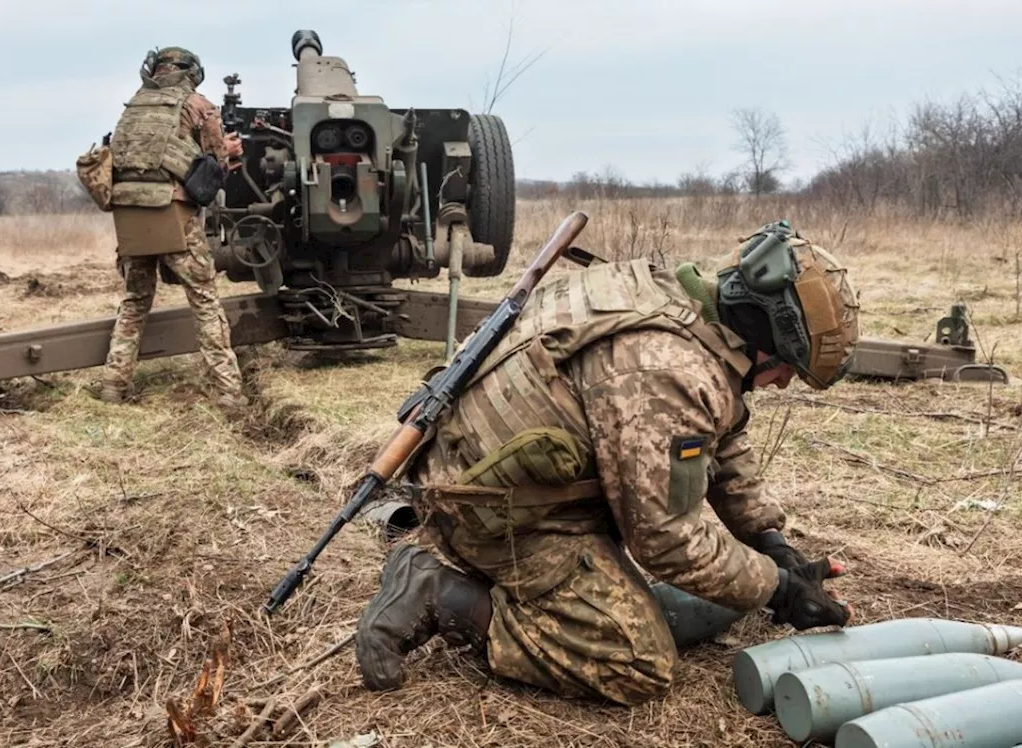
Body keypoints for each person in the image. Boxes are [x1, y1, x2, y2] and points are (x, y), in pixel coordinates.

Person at [355, 219, 861, 705]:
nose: (782, 383)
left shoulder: (674, 300)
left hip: (487, 473)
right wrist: (778, 589)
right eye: (785, 370)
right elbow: (665, 542)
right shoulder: (666, 370)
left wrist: (768, 540)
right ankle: (441, 593)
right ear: (765, 337)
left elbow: (720, 434)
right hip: (493, 515)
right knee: (638, 662)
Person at [94, 46, 246, 409]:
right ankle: (229, 394)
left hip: (129, 215)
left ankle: (113, 387)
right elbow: (216, 163)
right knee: (205, 302)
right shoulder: (198, 105)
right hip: (172, 212)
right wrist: (229, 150)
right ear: (191, 71)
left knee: (134, 302)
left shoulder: (134, 105)